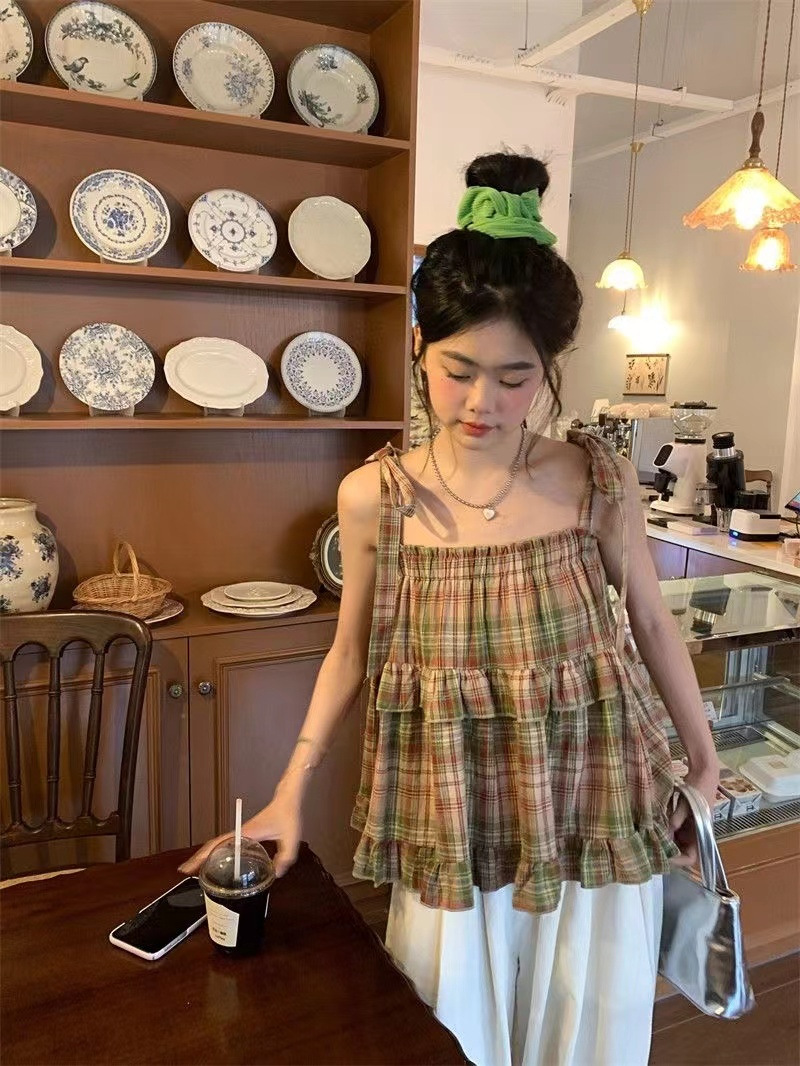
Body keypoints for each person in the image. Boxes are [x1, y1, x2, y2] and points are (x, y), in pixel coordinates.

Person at [181, 151, 719, 1066]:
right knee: (448, 1020)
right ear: (419, 347)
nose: (482, 402)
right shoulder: (375, 497)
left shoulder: (597, 478)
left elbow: (651, 623)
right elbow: (350, 654)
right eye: (458, 369)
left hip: (593, 785)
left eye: (516, 377)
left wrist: (703, 766)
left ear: (549, 368)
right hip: (450, 800)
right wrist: (289, 789)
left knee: (589, 1018)